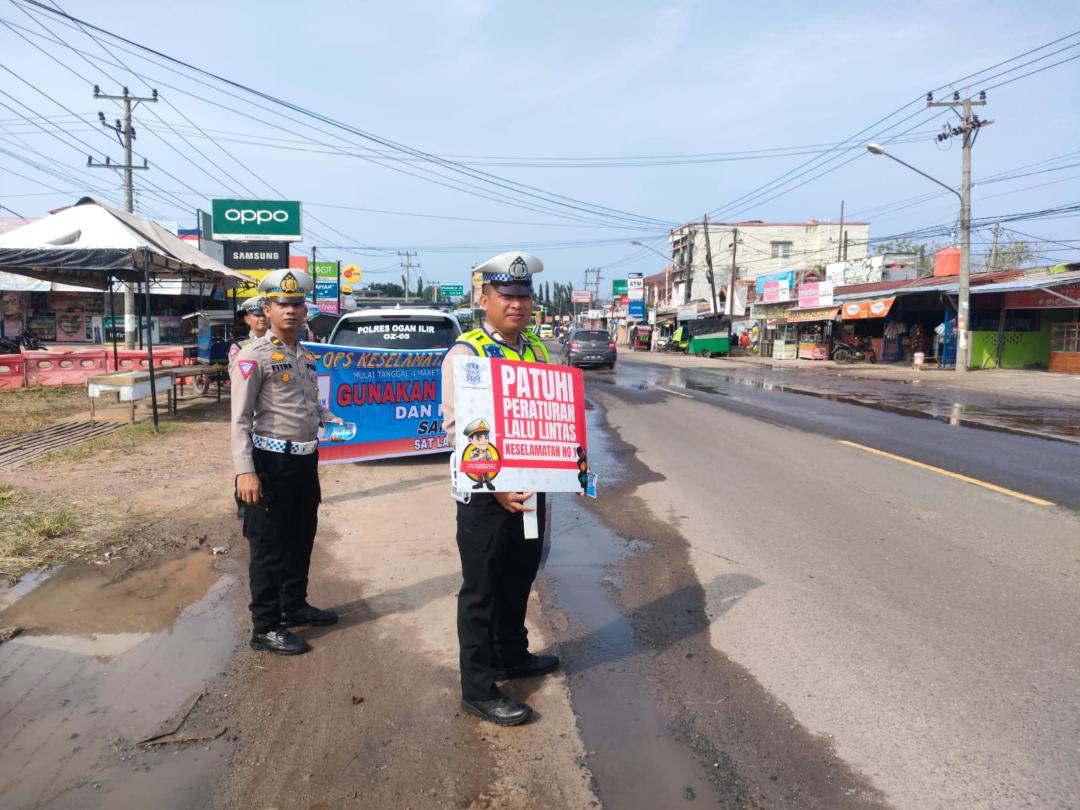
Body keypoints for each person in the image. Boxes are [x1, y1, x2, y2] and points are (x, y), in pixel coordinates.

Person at [441, 251, 559, 727]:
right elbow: (459, 431)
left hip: (531, 492)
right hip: (486, 497)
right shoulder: (467, 353)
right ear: (484, 299)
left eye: (524, 295)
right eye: (507, 295)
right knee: (482, 590)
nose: (517, 304)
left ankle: (513, 653)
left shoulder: (536, 350)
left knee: (519, 578)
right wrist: (494, 489)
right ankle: (478, 688)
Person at [230, 269, 345, 656]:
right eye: (282, 304)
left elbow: (309, 405)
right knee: (269, 547)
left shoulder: (305, 356)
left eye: (297, 303)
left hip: (304, 462)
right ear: (267, 308)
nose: (291, 310)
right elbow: (240, 420)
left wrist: (331, 420)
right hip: (269, 463)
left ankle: (294, 605)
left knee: (300, 538)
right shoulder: (252, 358)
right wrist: (245, 470)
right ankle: (265, 625)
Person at [229, 296, 269, 366]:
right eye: (257, 315)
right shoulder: (239, 346)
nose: (262, 318)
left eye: (265, 315)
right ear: (247, 319)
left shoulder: (281, 343)